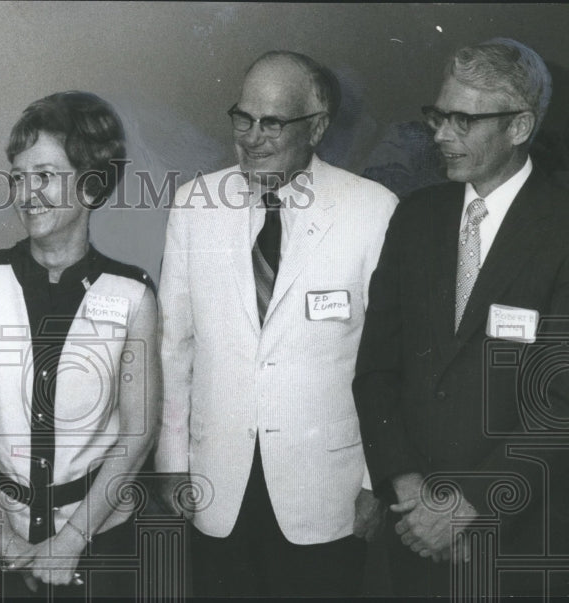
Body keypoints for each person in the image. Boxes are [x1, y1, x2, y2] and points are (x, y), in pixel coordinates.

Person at [156, 51, 398, 597]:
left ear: (317, 127)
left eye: (272, 123)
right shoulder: (196, 205)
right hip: (217, 484)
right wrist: (171, 461)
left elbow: (386, 360)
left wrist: (371, 482)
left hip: (327, 491)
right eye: (243, 117)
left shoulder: (372, 210)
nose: (251, 137)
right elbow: (174, 346)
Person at [354, 38, 569, 597]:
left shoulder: (561, 227)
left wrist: (467, 507)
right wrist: (412, 495)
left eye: (463, 120)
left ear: (520, 127)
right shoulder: (415, 219)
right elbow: (377, 370)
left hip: (519, 540)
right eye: (438, 115)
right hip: (412, 534)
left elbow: (561, 405)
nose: (441, 134)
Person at [0, 91, 161, 598]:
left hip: (100, 541)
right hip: (3, 538)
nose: (27, 193)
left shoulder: (132, 296)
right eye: (18, 177)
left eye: (44, 175)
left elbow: (139, 433)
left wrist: (71, 540)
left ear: (91, 187)